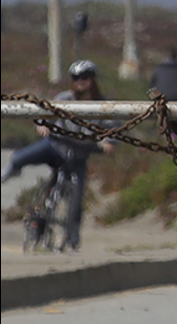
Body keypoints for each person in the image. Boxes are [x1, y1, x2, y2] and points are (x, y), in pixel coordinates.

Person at [1, 60, 114, 251]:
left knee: (76, 200)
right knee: (19, 157)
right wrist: (42, 125)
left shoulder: (102, 104)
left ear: (93, 79)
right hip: (55, 146)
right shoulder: (64, 98)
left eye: (85, 77)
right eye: (76, 77)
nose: (80, 82)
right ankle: (9, 174)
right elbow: (45, 115)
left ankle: (72, 240)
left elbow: (113, 127)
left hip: (78, 155)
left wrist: (109, 143)